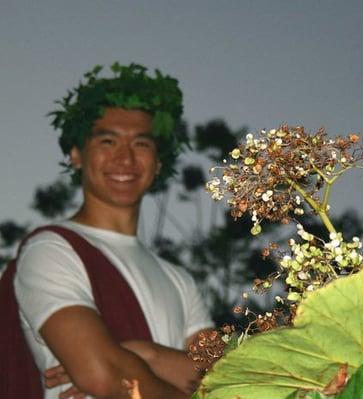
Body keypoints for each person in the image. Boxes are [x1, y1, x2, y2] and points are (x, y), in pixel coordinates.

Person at [12, 63, 214, 398]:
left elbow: (228, 377)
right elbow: (106, 376)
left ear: (159, 163)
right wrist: (135, 365)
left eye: (141, 144)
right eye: (108, 141)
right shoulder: (51, 250)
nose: (125, 158)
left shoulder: (180, 280)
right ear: (76, 154)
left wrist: (146, 355)